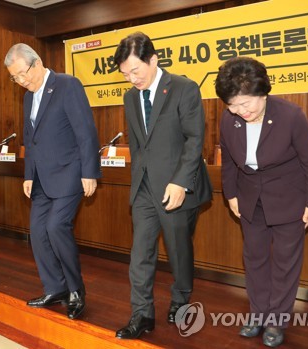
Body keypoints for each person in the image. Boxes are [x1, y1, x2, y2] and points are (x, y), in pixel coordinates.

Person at [215, 57, 308, 347]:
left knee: (286, 262)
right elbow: (227, 161)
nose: (240, 111)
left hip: (289, 198)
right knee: (255, 258)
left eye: (246, 103)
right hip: (250, 198)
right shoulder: (230, 118)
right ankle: (258, 313)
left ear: (263, 91)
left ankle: (277, 320)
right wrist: (231, 195)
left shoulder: (290, 116)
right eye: (232, 104)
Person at [113, 32, 213, 339]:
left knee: (178, 250)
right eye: (125, 74)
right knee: (140, 253)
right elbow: (139, 142)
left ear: (153, 60)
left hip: (176, 187)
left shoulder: (183, 88)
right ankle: (142, 314)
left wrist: (181, 181)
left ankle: (181, 298)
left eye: (136, 71)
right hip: (144, 187)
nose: (132, 79)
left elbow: (194, 139)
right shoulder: (130, 97)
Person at [4, 43, 101, 320]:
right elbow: (30, 139)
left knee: (57, 226)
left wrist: (90, 172)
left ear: (37, 63)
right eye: (15, 78)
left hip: (70, 171)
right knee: (38, 231)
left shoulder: (67, 85)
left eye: (23, 74)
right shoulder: (27, 97)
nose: (21, 82)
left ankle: (75, 290)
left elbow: (86, 131)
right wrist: (28, 174)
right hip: (41, 178)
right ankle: (55, 288)